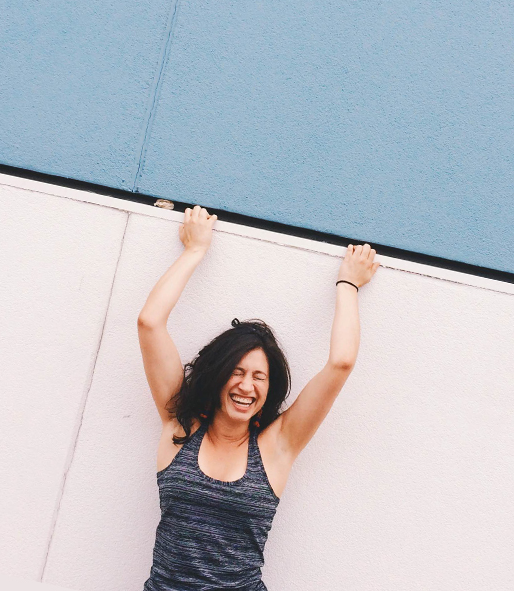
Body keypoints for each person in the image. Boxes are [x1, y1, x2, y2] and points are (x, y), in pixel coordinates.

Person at [138, 205, 379, 591]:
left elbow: (341, 362)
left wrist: (347, 285)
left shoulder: (278, 445)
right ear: (217, 377)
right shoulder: (178, 425)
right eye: (236, 371)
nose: (246, 386)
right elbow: (149, 322)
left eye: (258, 377)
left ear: (269, 389)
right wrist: (194, 251)